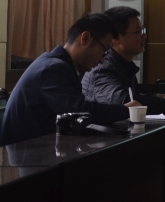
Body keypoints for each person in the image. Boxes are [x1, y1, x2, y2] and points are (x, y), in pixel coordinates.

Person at [0, 13, 140, 146]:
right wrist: (125, 110)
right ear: (85, 38)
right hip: (23, 155)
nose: (103, 60)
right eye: (104, 50)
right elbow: (81, 112)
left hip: (37, 150)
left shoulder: (58, 65)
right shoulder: (52, 68)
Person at [82, 6, 165, 114]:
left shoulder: (123, 64)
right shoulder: (103, 68)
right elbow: (124, 102)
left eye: (143, 31)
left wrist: (154, 97)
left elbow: (130, 96)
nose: (144, 36)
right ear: (116, 38)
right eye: (138, 32)